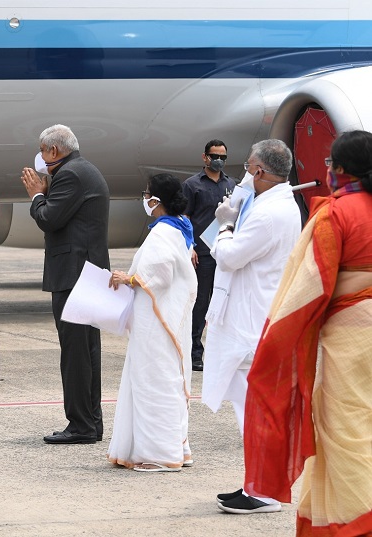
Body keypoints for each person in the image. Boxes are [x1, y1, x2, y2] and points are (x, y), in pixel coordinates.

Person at [242, 130, 372, 535]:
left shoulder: (335, 214)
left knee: (347, 429)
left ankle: (357, 521)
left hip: (351, 339)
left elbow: (306, 290)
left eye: (331, 163)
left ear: (343, 168)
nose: (328, 170)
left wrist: (276, 344)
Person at [202, 139, 301, 513]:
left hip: (251, 322)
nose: (244, 172)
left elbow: (229, 257)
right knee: (251, 411)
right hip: (252, 315)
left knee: (256, 414)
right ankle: (255, 484)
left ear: (260, 171)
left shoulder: (270, 213)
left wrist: (225, 226)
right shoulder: (270, 202)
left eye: (248, 167)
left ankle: (263, 491)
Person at [21, 124, 110, 444]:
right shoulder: (84, 169)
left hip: (74, 274)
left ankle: (81, 425)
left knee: (76, 352)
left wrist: (37, 196)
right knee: (87, 350)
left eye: (43, 151)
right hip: (87, 272)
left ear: (53, 151)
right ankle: (90, 422)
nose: (41, 158)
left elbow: (48, 218)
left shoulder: (70, 175)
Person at [107, 173, 197, 471]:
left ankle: (160, 454)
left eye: (146, 193)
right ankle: (175, 447)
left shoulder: (161, 234)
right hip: (165, 317)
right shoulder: (181, 227)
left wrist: (127, 278)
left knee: (152, 380)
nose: (144, 198)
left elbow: (160, 275)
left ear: (156, 200)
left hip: (155, 321)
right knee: (165, 377)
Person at [182, 140, 237, 371]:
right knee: (201, 303)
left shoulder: (231, 184)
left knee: (225, 302)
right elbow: (184, 217)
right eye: (215, 156)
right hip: (203, 253)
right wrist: (189, 246)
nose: (219, 161)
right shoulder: (192, 185)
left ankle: (221, 352)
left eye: (223, 157)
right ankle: (195, 351)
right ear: (204, 157)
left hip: (226, 252)